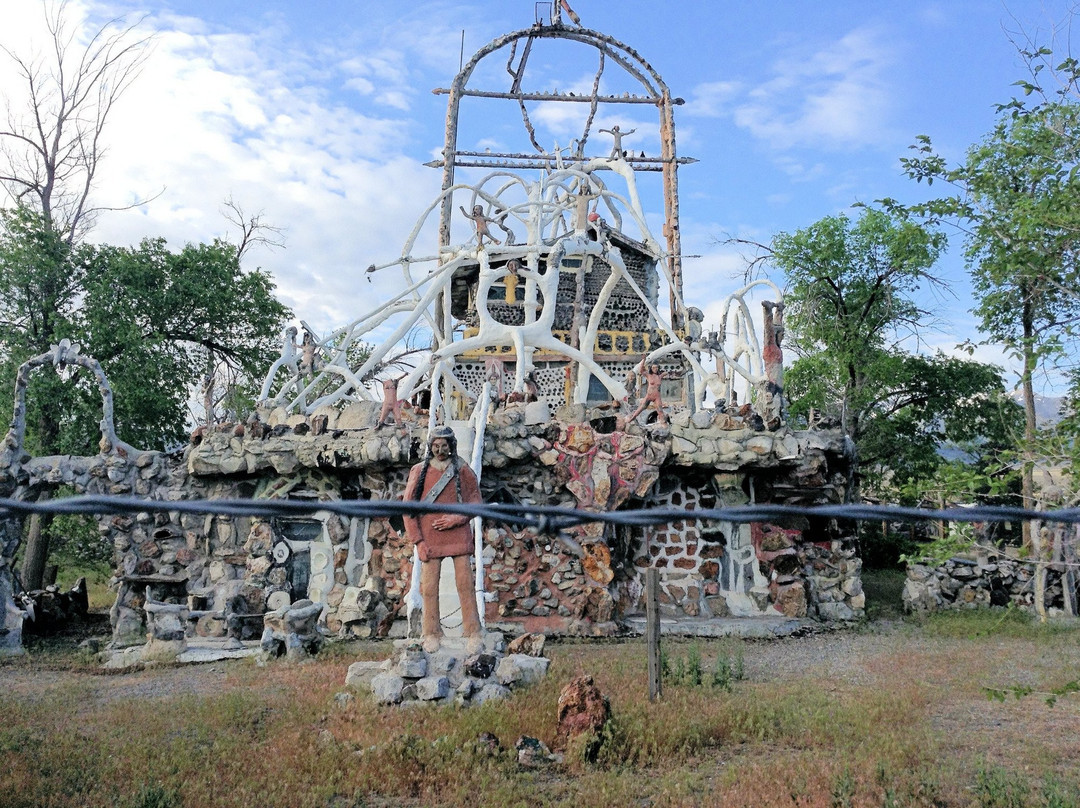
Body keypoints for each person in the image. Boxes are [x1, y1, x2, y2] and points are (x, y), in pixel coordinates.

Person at [403, 426, 483, 654]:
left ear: (451, 446)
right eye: (436, 446)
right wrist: (418, 540)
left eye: (444, 446)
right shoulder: (419, 471)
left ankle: (472, 629)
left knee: (465, 583)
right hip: (430, 536)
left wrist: (458, 518)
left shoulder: (462, 469)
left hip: (458, 533)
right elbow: (408, 509)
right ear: (430, 447)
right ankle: (431, 631)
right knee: (428, 587)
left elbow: (476, 501)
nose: (440, 451)